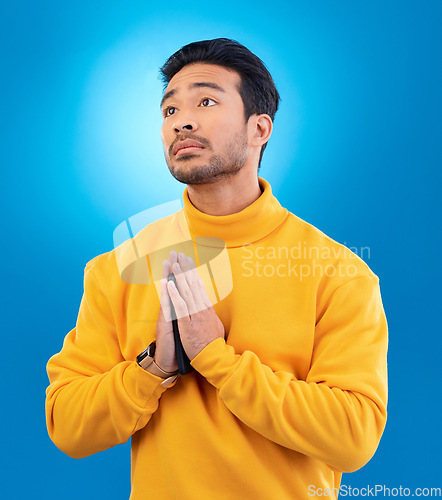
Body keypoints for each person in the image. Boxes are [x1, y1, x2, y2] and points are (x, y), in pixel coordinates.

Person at [45, 38, 388, 500]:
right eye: (170, 111)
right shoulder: (119, 267)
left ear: (259, 129)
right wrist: (154, 368)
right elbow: (67, 426)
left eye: (206, 101)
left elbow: (354, 438)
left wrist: (214, 357)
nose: (181, 121)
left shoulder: (337, 271)